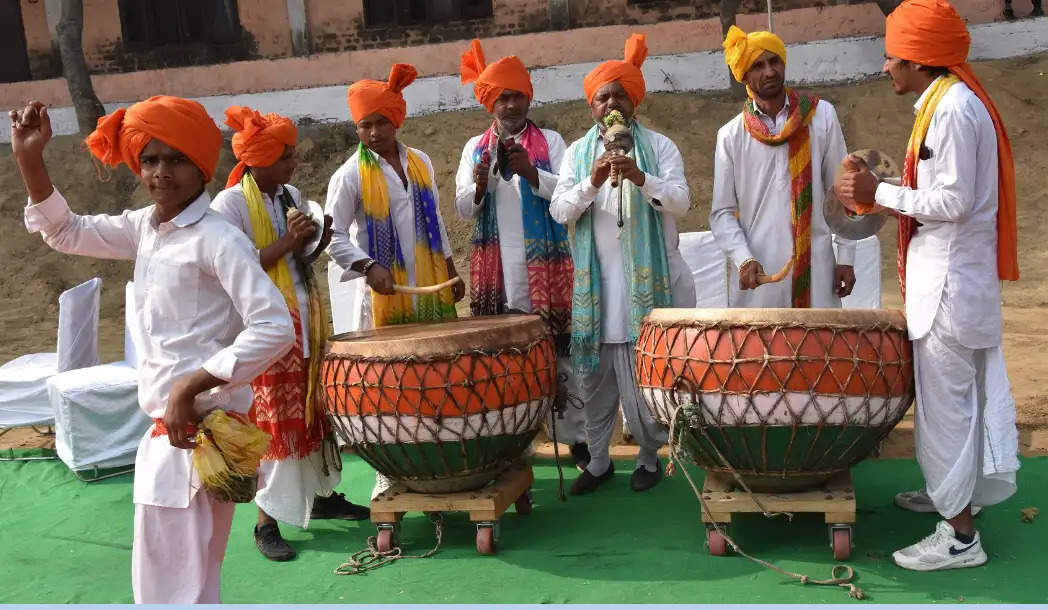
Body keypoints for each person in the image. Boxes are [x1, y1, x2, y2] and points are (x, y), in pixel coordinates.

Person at [11, 96, 295, 602]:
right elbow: (66, 230)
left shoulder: (217, 238)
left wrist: (193, 383)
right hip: (176, 437)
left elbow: (274, 326)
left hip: (198, 435)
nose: (161, 171)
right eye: (150, 159)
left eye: (176, 158)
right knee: (187, 582)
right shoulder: (145, 228)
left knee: (172, 586)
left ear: (202, 166)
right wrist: (31, 159)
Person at [836, 0, 1020, 571]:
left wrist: (878, 193)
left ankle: (960, 536)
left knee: (947, 411)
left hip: (949, 292)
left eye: (892, 56)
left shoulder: (954, 111)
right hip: (946, 285)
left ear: (918, 57)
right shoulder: (941, 104)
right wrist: (886, 187)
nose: (886, 66)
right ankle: (951, 497)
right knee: (953, 408)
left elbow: (954, 202)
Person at [211, 105, 370, 562]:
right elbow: (233, 268)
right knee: (276, 424)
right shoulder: (231, 204)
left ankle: (320, 497)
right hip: (263, 330)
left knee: (312, 413)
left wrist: (313, 240)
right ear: (257, 158)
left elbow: (300, 260)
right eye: (284, 156)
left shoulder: (290, 194)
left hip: (304, 317)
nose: (293, 164)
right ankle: (266, 522)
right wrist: (287, 243)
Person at [550, 33, 696, 495]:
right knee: (594, 385)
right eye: (602, 96)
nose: (611, 102)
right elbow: (560, 211)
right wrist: (591, 183)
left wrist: (641, 175)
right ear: (592, 107)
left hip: (646, 290)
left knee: (644, 382)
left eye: (619, 94)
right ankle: (597, 461)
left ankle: (650, 457)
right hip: (596, 293)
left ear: (633, 100)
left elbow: (682, 202)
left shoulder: (660, 146)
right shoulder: (576, 153)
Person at [324, 63, 466, 495]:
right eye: (363, 125)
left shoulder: (420, 162)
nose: (372, 132)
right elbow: (331, 236)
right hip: (385, 294)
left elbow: (436, 220)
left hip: (429, 287)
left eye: (380, 122)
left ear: (396, 120)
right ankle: (390, 472)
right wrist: (368, 266)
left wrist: (451, 267)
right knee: (390, 381)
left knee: (436, 371)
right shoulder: (349, 174)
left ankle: (445, 461)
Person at [454, 39, 589, 470]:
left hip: (547, 269)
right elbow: (462, 210)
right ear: (490, 103)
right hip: (499, 272)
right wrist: (478, 184)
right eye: (502, 97)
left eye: (517, 96)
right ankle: (513, 445)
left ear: (529, 97)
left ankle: (578, 441)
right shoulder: (474, 147)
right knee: (505, 360)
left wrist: (533, 172)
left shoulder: (550, 140)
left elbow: (570, 197)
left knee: (559, 353)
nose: (511, 105)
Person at [710, 25, 856, 308]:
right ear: (744, 75)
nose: (769, 71)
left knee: (818, 350)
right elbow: (722, 213)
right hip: (758, 279)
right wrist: (743, 259)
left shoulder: (821, 116)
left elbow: (841, 192)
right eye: (758, 65)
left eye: (774, 61)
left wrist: (846, 258)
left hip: (818, 270)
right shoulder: (730, 135)